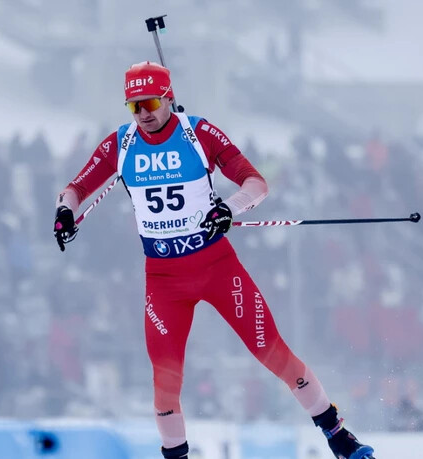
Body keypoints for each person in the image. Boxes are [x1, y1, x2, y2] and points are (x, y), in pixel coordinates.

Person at [53, 61, 375, 459]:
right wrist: (65, 212)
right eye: (134, 106)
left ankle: (339, 437)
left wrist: (229, 209)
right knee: (165, 383)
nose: (143, 114)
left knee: (271, 351)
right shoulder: (121, 144)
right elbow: (75, 187)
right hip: (164, 279)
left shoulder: (198, 132)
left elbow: (255, 183)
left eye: (151, 102)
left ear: (169, 97)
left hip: (216, 267)